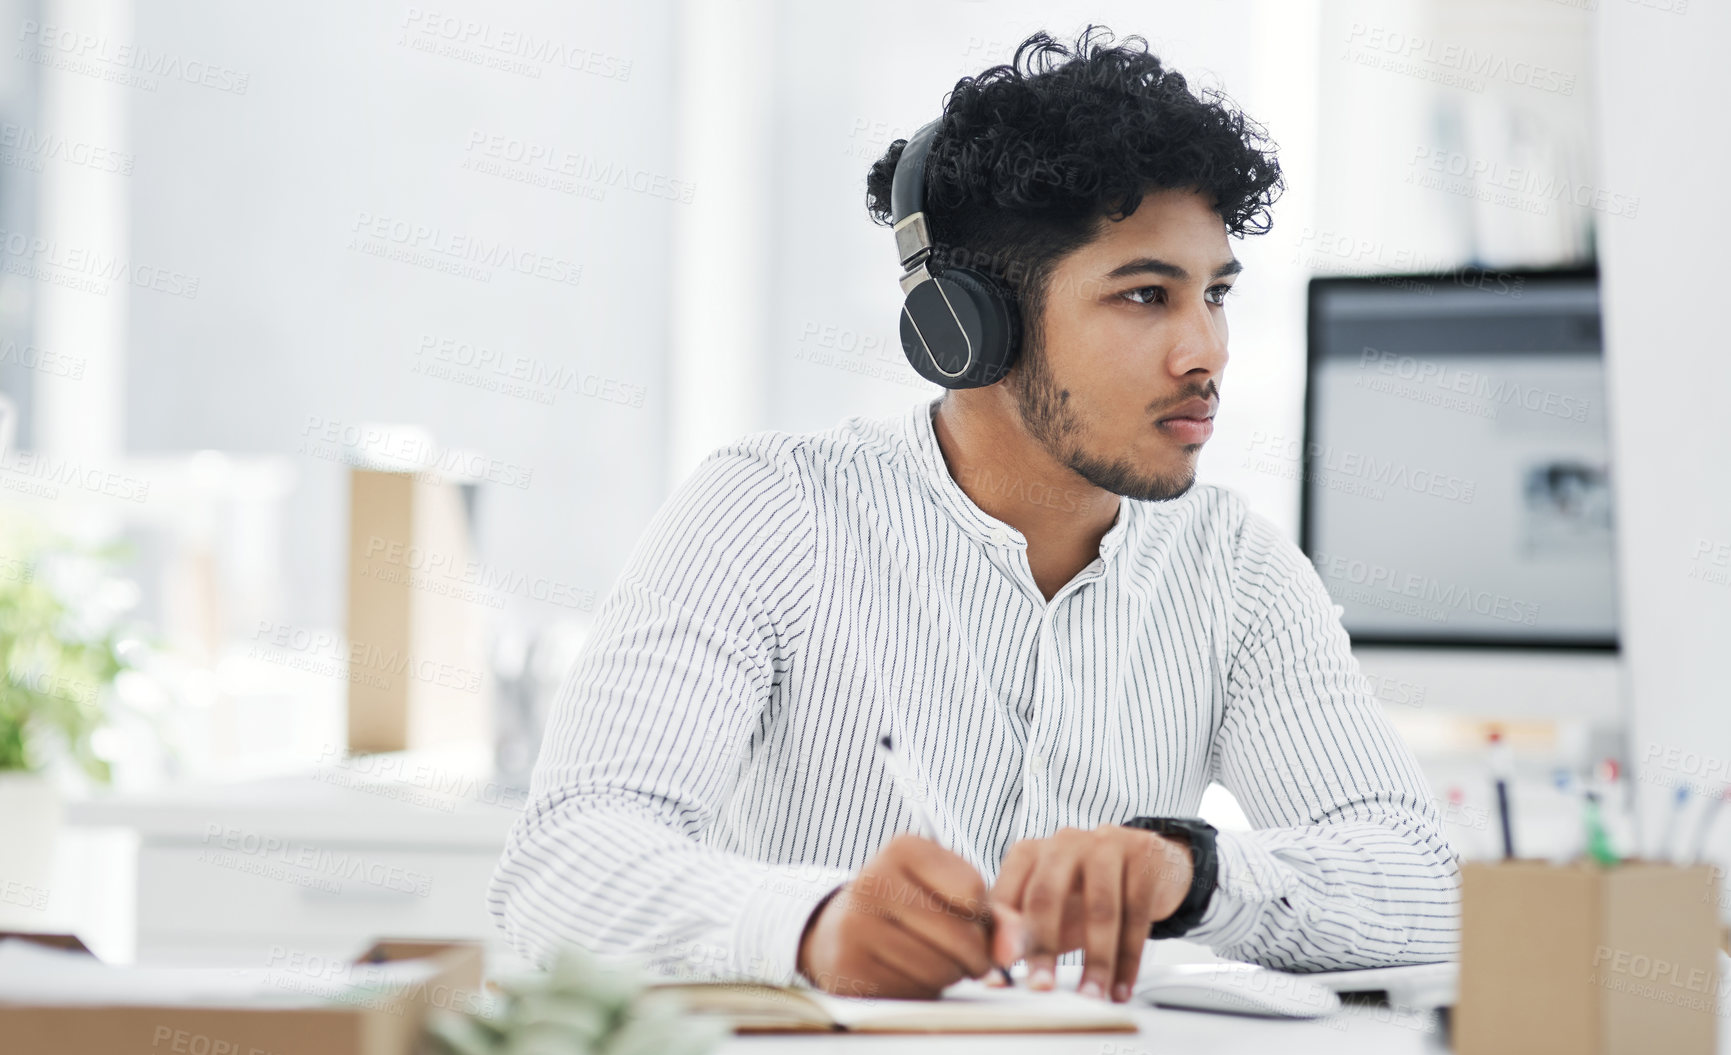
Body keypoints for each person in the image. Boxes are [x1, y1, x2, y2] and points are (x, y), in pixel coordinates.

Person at [489, 27, 1459, 1005]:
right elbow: (562, 867)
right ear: (966, 327)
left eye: (1214, 294)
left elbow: (1429, 884)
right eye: (1144, 296)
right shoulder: (773, 511)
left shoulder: (1234, 566)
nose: (1205, 352)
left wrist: (1195, 873)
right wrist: (810, 926)